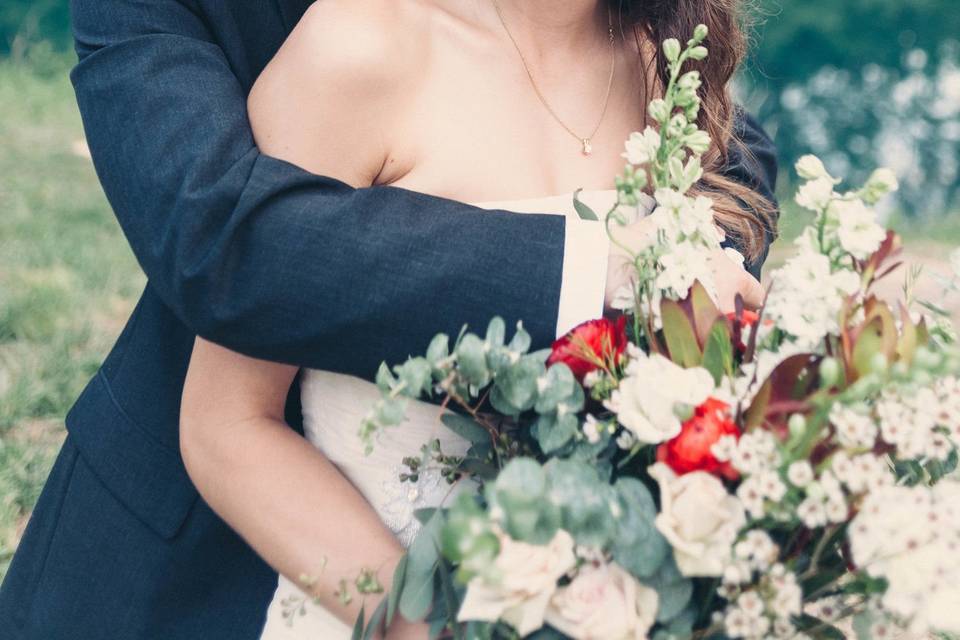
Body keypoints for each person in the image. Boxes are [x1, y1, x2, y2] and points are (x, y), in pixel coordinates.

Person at [0, 0, 777, 639]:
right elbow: (225, 272)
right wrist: (424, 624)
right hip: (299, 574)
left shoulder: (671, 60)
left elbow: (734, 207)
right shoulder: (359, 49)